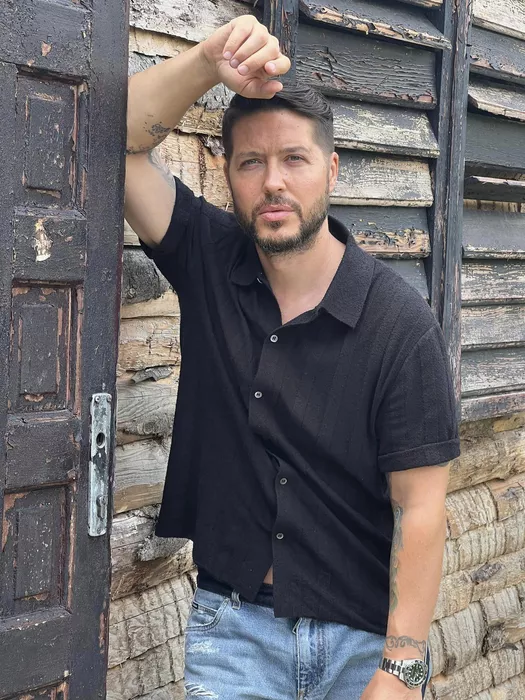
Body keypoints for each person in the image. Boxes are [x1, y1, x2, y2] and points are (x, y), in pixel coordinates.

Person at [124, 14, 460, 700]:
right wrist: (209, 59)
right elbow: (118, 142)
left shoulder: (400, 325)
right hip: (234, 633)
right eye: (251, 162)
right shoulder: (208, 258)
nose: (272, 181)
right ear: (228, 174)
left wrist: (401, 667)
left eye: (294, 159)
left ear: (330, 170)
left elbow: (421, 507)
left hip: (361, 641)